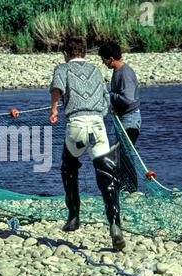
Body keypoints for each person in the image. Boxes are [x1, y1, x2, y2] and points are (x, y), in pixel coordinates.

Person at [49, 36, 125, 251]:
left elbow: (57, 89)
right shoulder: (96, 71)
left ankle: (73, 215)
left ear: (66, 54)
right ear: (84, 53)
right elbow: (105, 100)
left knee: (69, 167)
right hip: (98, 126)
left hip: (76, 125)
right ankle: (115, 224)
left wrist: (54, 109)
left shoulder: (62, 69)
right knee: (106, 176)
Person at [99, 41, 141, 193]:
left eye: (103, 59)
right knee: (123, 154)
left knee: (125, 154)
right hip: (123, 119)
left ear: (111, 58)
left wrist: (109, 95)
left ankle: (131, 189)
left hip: (130, 121)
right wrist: (116, 107)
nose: (103, 63)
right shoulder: (118, 72)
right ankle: (126, 188)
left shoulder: (125, 73)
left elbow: (129, 99)